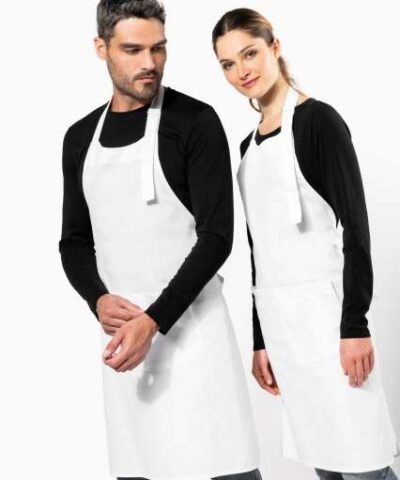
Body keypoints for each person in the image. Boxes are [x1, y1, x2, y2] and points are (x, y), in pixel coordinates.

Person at [58, 1, 262, 479]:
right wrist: (97, 298)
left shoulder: (195, 122)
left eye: (159, 48)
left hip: (196, 337)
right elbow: (74, 240)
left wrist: (153, 321)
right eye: (133, 50)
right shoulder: (79, 138)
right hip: (125, 349)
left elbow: (217, 238)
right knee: (140, 470)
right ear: (101, 48)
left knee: (227, 468)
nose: (149, 62)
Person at [212, 8, 399, 480]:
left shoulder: (319, 122)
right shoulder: (246, 150)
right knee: (326, 465)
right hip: (285, 334)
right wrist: (261, 340)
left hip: (331, 326)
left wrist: (354, 325)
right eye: (228, 64)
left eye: (250, 54)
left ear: (274, 47)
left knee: (363, 465)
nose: (242, 71)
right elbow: (258, 251)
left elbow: (356, 230)